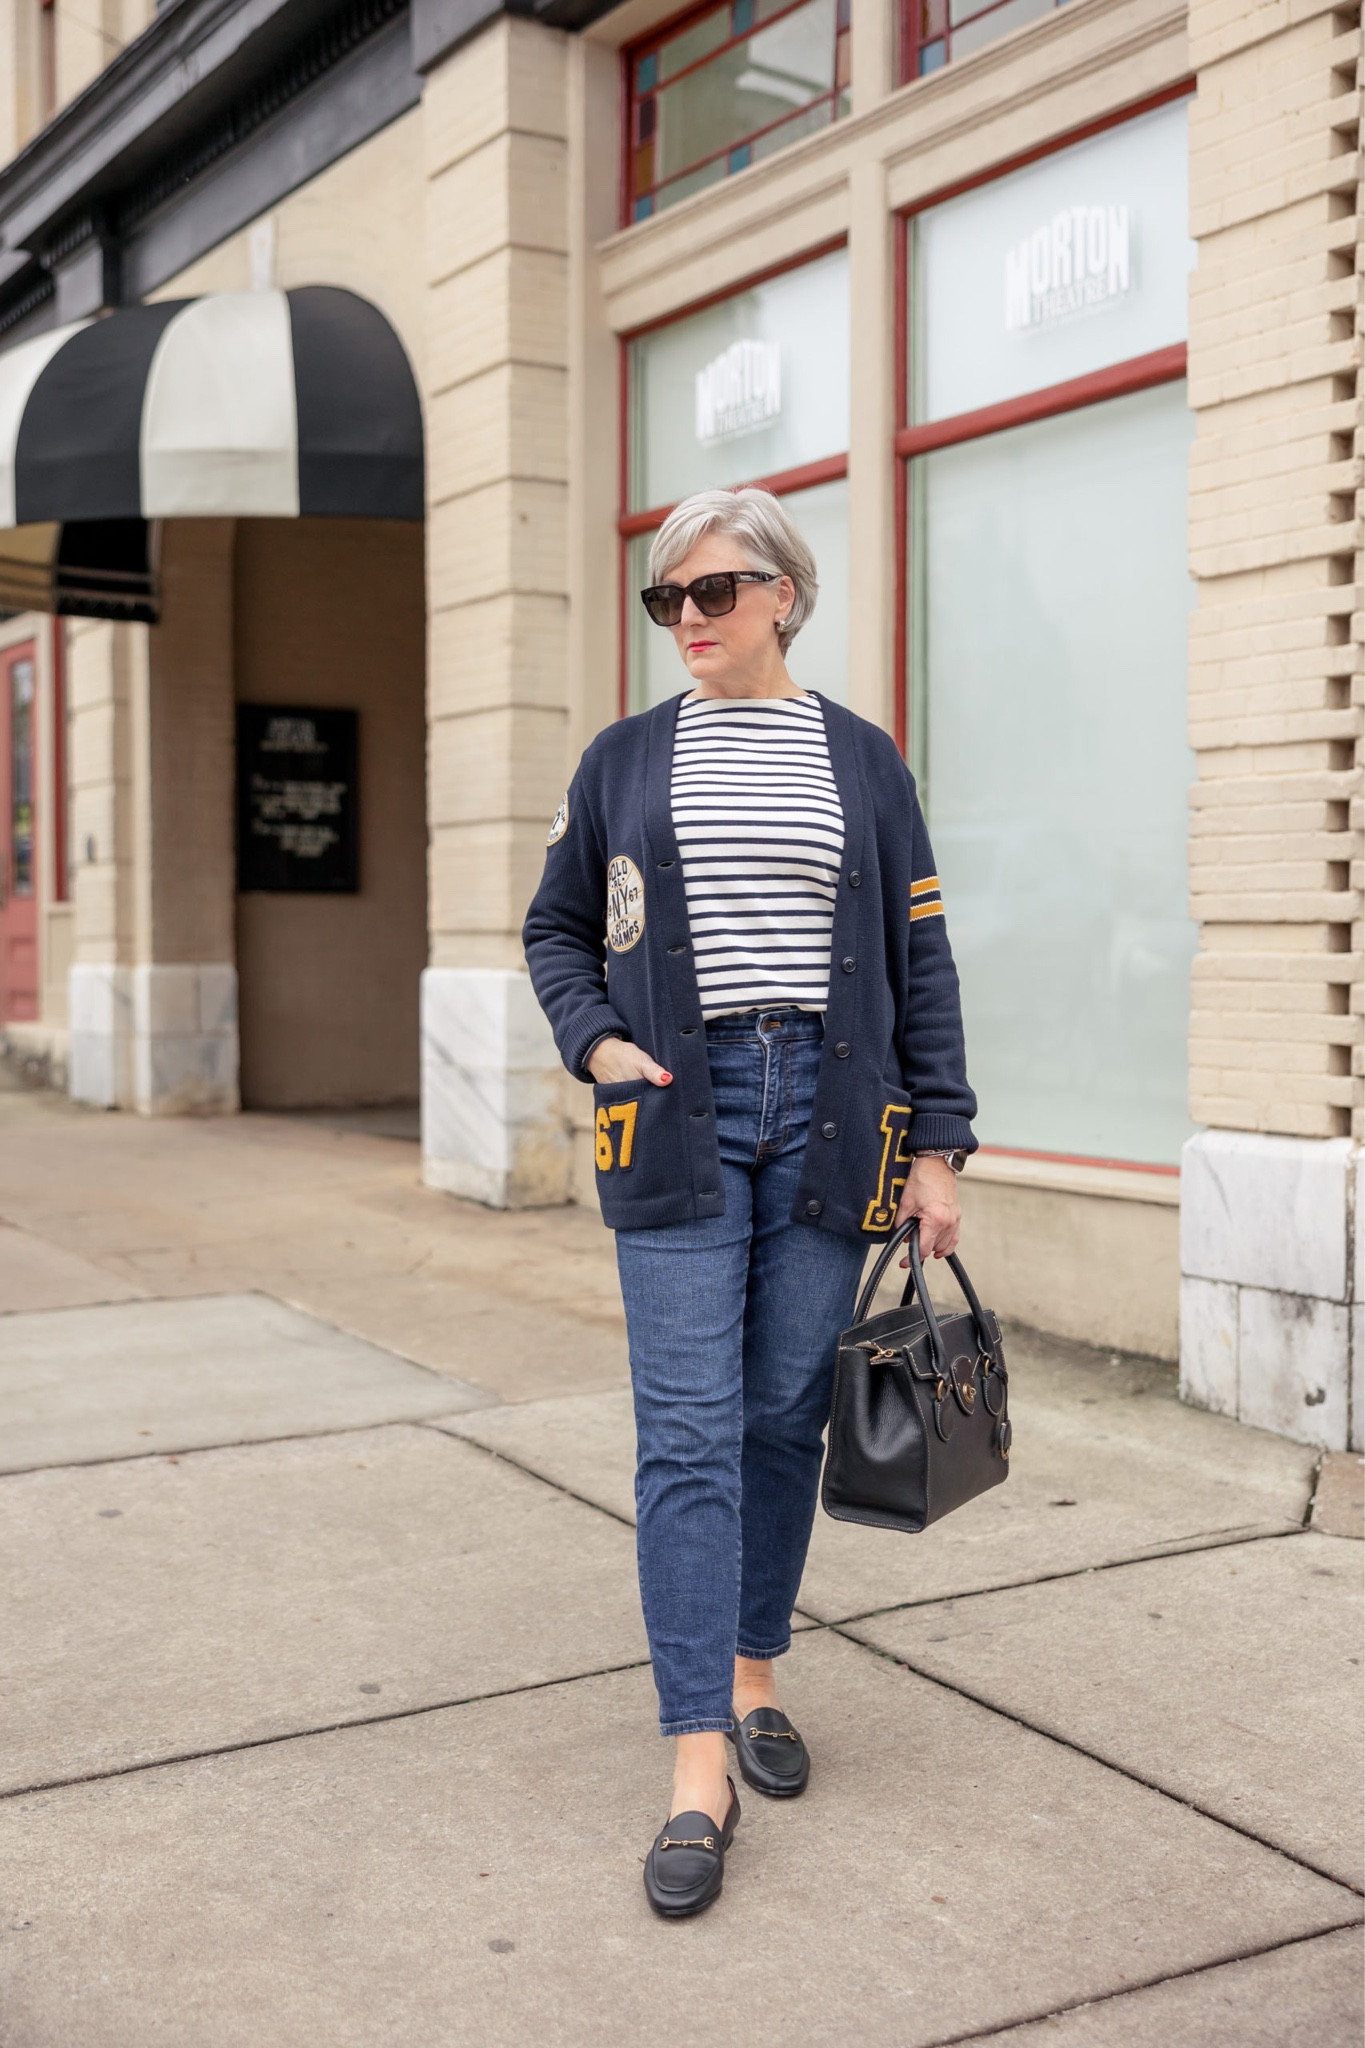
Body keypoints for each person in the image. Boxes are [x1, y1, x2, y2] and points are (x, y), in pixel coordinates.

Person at [522, 486, 976, 1917]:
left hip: (832, 1115)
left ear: (784, 593)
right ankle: (695, 1759)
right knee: (687, 1433)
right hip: (676, 1107)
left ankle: (753, 1671)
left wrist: (940, 1144)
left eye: (713, 592)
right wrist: (599, 1042)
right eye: (668, 600)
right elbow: (555, 928)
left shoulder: (863, 760)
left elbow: (920, 961)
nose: (689, 620)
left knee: (782, 1414)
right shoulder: (623, 762)